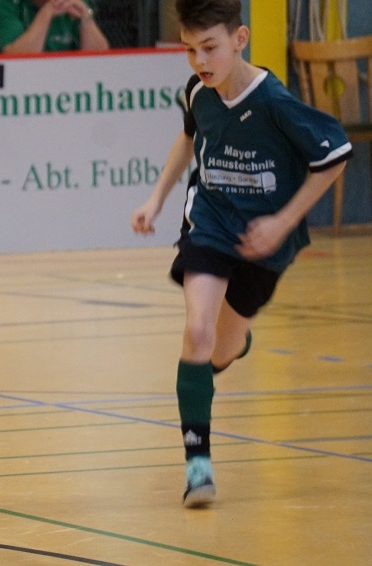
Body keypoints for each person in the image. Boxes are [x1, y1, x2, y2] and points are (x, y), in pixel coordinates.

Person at [131, 0, 352, 508]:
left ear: (240, 39)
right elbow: (188, 138)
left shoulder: (273, 100)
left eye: (209, 48)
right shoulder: (198, 91)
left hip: (262, 239)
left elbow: (334, 156)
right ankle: (198, 465)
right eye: (189, 50)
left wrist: (283, 221)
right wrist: (156, 199)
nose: (200, 61)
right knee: (198, 331)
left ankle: (234, 343)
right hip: (209, 221)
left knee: (221, 350)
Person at [0, 0, 109, 54]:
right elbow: (19, 62)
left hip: (71, 86)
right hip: (19, 91)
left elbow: (101, 61)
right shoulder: (4, 5)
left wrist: (85, 18)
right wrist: (46, 13)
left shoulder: (75, 2)